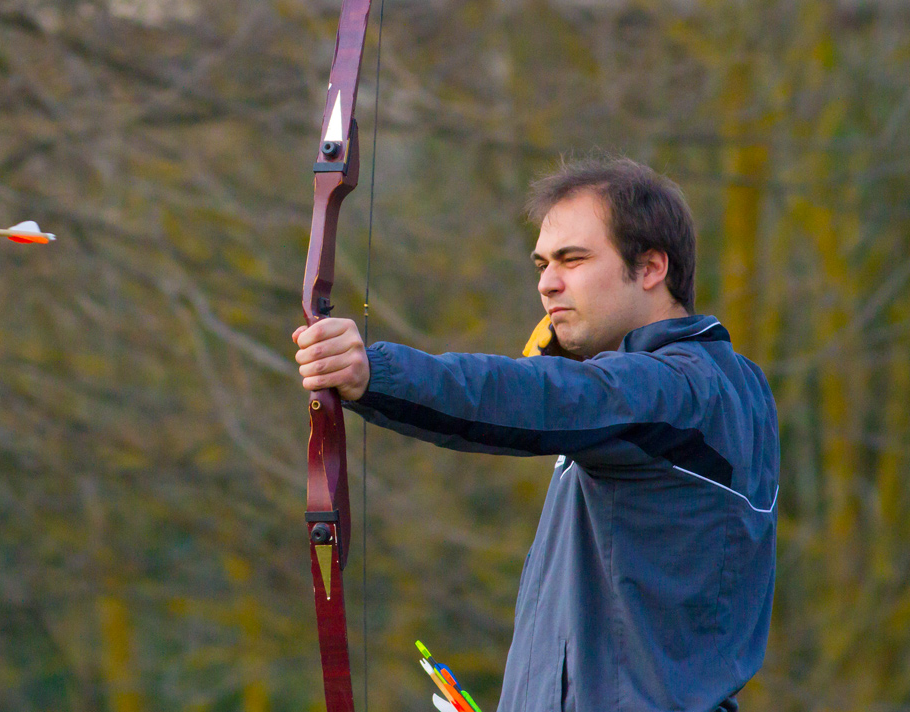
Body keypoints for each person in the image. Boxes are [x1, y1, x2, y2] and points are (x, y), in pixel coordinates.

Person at [293, 157, 779, 712]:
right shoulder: (710, 388)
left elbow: (540, 395)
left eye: (573, 260)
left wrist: (372, 373)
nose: (548, 284)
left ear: (650, 268)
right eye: (542, 263)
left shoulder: (681, 388)